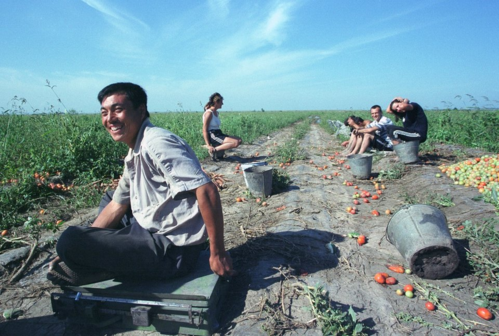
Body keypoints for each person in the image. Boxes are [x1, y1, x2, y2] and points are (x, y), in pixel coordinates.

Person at [47, 83, 235, 286]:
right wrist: (89, 242)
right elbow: (117, 204)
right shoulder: (136, 147)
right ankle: (103, 258)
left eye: (118, 110)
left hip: (172, 250)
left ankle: (105, 268)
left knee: (69, 240)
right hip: (155, 226)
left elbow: (206, 190)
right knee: (111, 198)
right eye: (104, 112)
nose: (110, 119)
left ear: (141, 110)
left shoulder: (156, 142)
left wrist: (218, 254)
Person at [202, 93, 242, 161]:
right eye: (221, 102)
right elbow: (204, 130)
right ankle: (213, 150)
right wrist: (208, 145)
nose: (222, 104)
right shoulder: (209, 113)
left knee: (239, 140)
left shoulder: (216, 113)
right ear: (216, 102)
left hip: (218, 133)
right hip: (213, 135)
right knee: (235, 142)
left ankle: (216, 149)